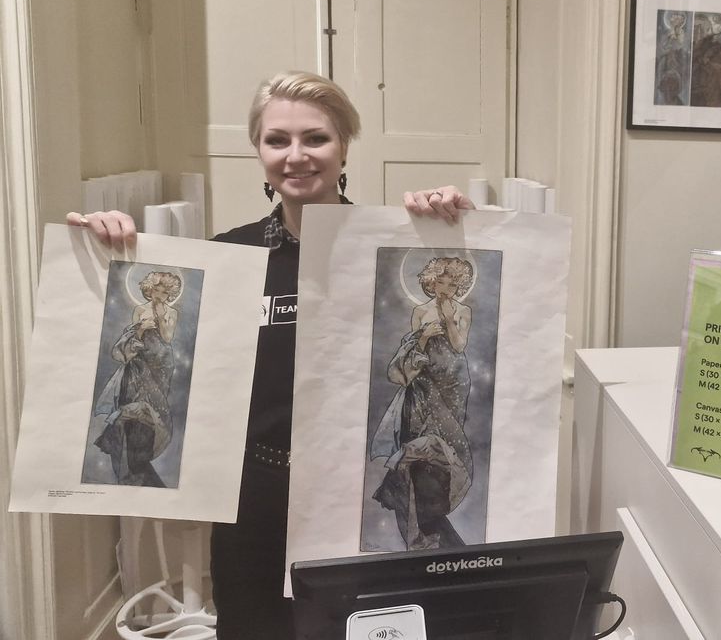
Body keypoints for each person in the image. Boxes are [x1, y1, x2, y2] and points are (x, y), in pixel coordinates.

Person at [68, 70, 473, 639]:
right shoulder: (228, 257)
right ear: (259, 151)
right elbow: (168, 361)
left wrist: (455, 228)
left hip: (352, 492)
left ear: (344, 147)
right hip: (254, 495)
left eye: (316, 138)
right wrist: (110, 250)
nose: (296, 155)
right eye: (277, 140)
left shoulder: (388, 250)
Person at [370, 256, 475, 551]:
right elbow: (411, 354)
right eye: (441, 282)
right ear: (431, 282)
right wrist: (425, 336)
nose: (446, 289)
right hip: (423, 383)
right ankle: (419, 526)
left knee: (443, 451)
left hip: (453, 384)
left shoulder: (463, 311)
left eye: (453, 284)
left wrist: (448, 318)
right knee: (417, 451)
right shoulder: (419, 311)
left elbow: (459, 346)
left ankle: (432, 524)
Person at [93, 270, 183, 487]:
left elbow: (167, 337)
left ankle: (138, 466)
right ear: (149, 289)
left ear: (170, 294)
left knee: (151, 413)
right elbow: (133, 339)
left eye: (164, 292)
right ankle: (128, 463)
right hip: (138, 364)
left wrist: (160, 317)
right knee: (130, 412)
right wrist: (142, 327)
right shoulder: (139, 310)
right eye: (156, 290)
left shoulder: (171, 312)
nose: (159, 295)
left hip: (160, 365)